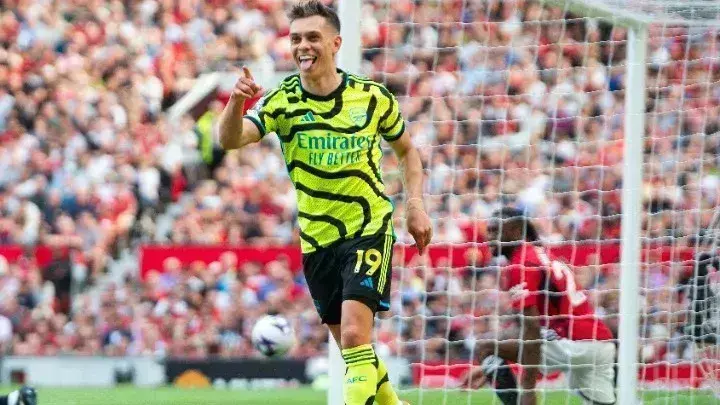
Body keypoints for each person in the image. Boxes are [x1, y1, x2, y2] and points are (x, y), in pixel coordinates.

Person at [217, 1, 432, 404]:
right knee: (355, 351)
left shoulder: (371, 97)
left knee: (353, 335)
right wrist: (234, 103)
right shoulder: (282, 101)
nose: (303, 46)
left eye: (313, 37)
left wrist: (415, 205)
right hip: (317, 241)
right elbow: (230, 139)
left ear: (335, 43)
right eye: (296, 38)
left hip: (368, 227)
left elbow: (407, 152)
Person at [463, 207, 616, 405]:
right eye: (489, 231)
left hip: (572, 341)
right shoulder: (539, 253)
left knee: (484, 346)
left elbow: (532, 327)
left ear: (516, 231)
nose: (489, 238)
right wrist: (495, 364)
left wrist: (528, 389)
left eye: (495, 231)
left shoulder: (522, 263)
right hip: (600, 343)